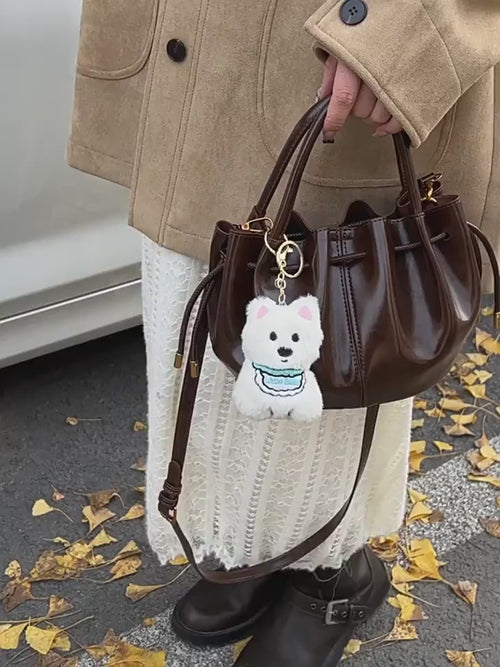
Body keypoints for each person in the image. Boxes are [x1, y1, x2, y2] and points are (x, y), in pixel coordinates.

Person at [69, 1, 500, 664]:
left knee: (345, 325)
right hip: (197, 51)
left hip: (333, 52)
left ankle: (333, 570)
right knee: (205, 300)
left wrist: (399, 25)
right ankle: (262, 545)